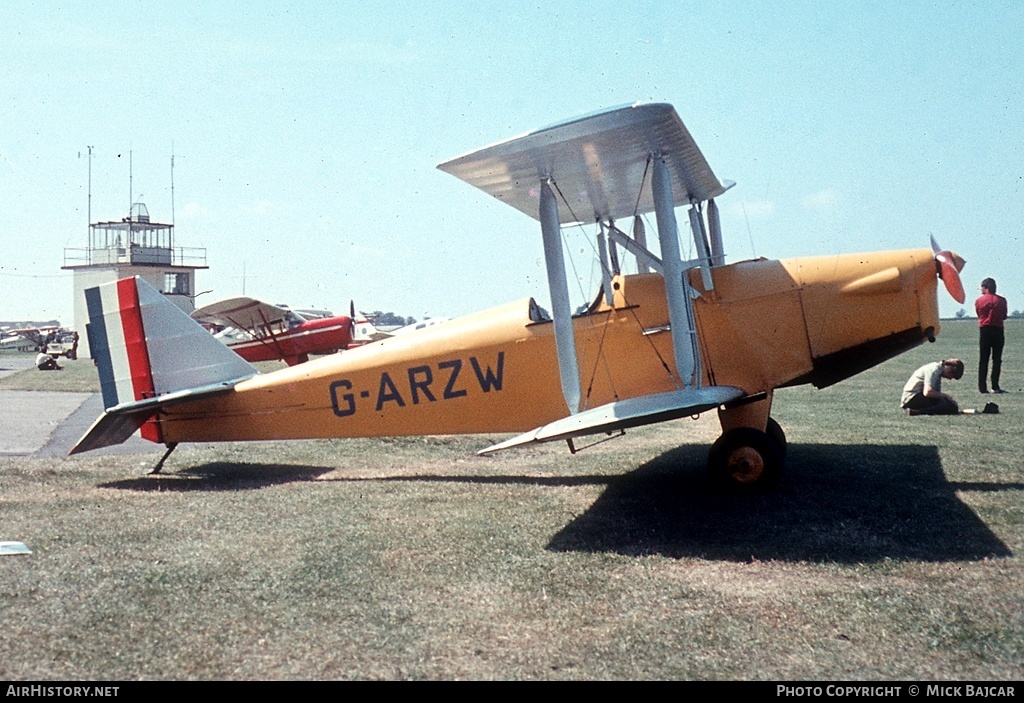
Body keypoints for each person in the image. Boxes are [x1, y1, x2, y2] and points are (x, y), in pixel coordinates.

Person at [975, 277, 1008, 394]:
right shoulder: (1002, 300)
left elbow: (979, 314)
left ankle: (982, 387)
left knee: (983, 359)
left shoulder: (979, 300)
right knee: (997, 359)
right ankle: (995, 386)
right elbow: (1004, 316)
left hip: (985, 330)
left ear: (986, 288)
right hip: (998, 330)